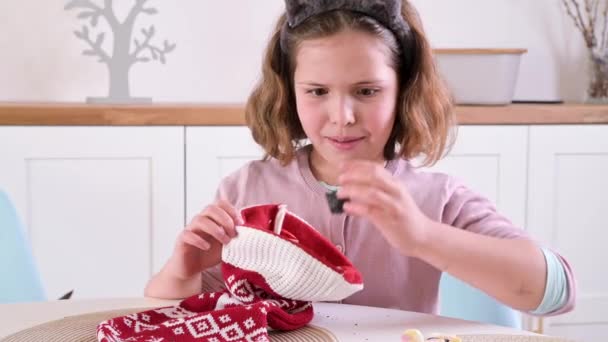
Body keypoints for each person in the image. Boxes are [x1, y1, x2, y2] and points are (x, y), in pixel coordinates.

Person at [145, 0, 575, 317]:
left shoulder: (439, 198)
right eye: (317, 92)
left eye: (367, 91)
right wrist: (182, 265)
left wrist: (422, 235)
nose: (342, 117)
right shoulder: (246, 191)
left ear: (403, 91)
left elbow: (556, 292)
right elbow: (175, 314)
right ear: (289, 93)